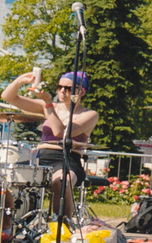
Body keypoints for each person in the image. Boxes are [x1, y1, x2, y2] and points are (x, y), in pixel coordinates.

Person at [4, 70, 97, 221]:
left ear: (81, 92)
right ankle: (6, 226)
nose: (62, 91)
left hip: (67, 158)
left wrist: (48, 104)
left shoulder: (89, 114)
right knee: (5, 178)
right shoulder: (49, 107)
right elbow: (8, 97)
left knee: (61, 181)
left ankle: (62, 225)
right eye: (59, 87)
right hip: (41, 156)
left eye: (68, 88)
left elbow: (60, 132)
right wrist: (21, 80)